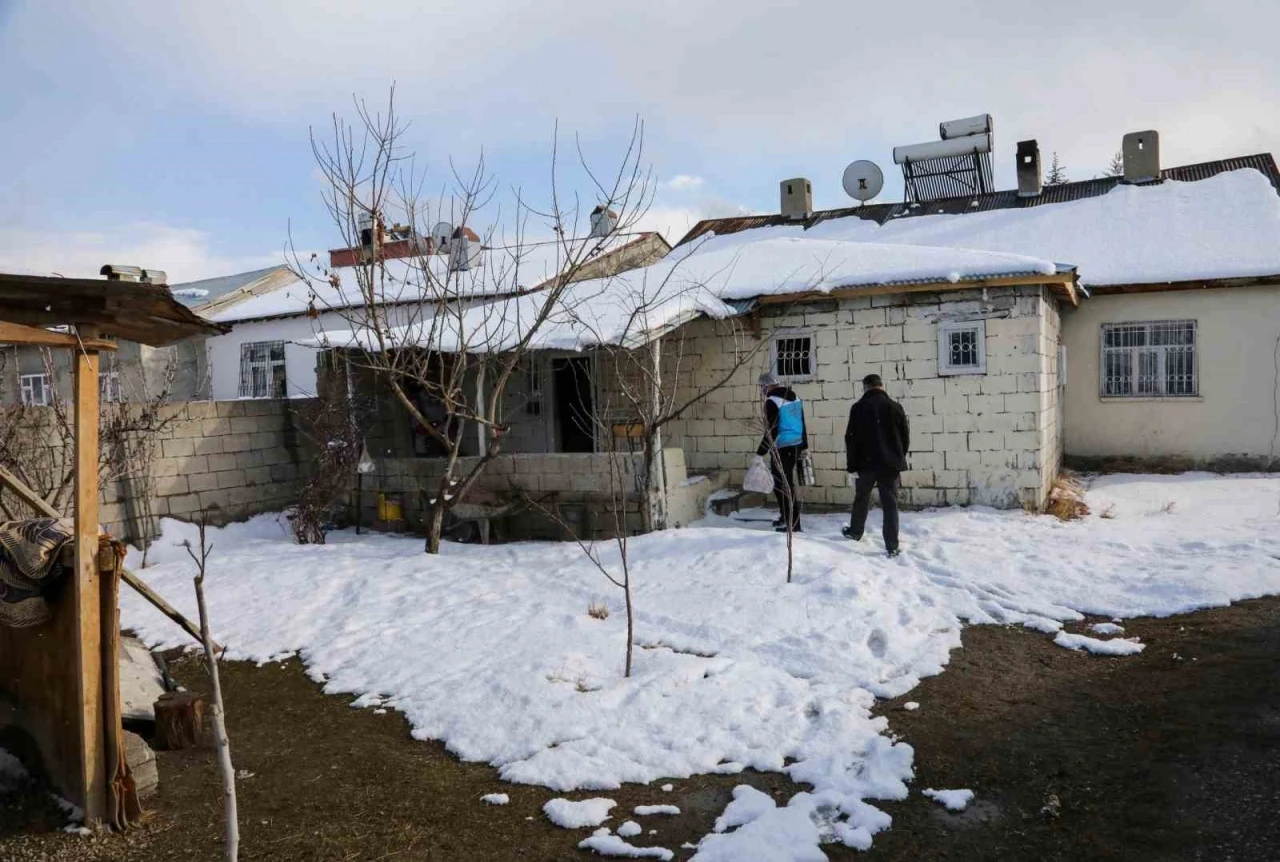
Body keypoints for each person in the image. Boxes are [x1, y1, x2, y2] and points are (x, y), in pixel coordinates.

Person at [842, 373, 910, 556]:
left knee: (861, 498)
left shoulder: (858, 408)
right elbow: (905, 437)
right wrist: (898, 457)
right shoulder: (895, 407)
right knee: (890, 504)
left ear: (866, 387)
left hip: (865, 463)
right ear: (881, 386)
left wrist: (852, 465)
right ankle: (892, 545)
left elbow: (850, 439)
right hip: (890, 464)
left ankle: (855, 531)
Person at [756, 372, 808, 533]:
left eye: (761, 387)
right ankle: (786, 517)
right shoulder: (795, 397)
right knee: (782, 485)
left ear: (766, 386)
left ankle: (793, 525)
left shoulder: (772, 401)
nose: (761, 390)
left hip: (783, 448)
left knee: (784, 486)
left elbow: (771, 430)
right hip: (796, 444)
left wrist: (760, 452)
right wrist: (805, 446)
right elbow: (802, 422)